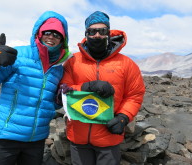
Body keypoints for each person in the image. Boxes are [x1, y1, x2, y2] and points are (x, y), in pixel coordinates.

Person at [0, 11, 70, 165]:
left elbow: (47, 104)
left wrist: (59, 100)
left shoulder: (58, 69)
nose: (51, 37)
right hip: (5, 137)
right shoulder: (18, 55)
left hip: (35, 140)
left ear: (63, 39)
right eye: (47, 32)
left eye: (57, 34)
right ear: (38, 33)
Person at [58, 11, 145, 165]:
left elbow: (134, 95)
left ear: (109, 33)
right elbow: (64, 90)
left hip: (109, 137)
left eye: (102, 31)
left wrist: (123, 118)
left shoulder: (126, 64)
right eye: (92, 31)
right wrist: (87, 86)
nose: (97, 35)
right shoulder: (73, 61)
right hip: (78, 137)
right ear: (86, 34)